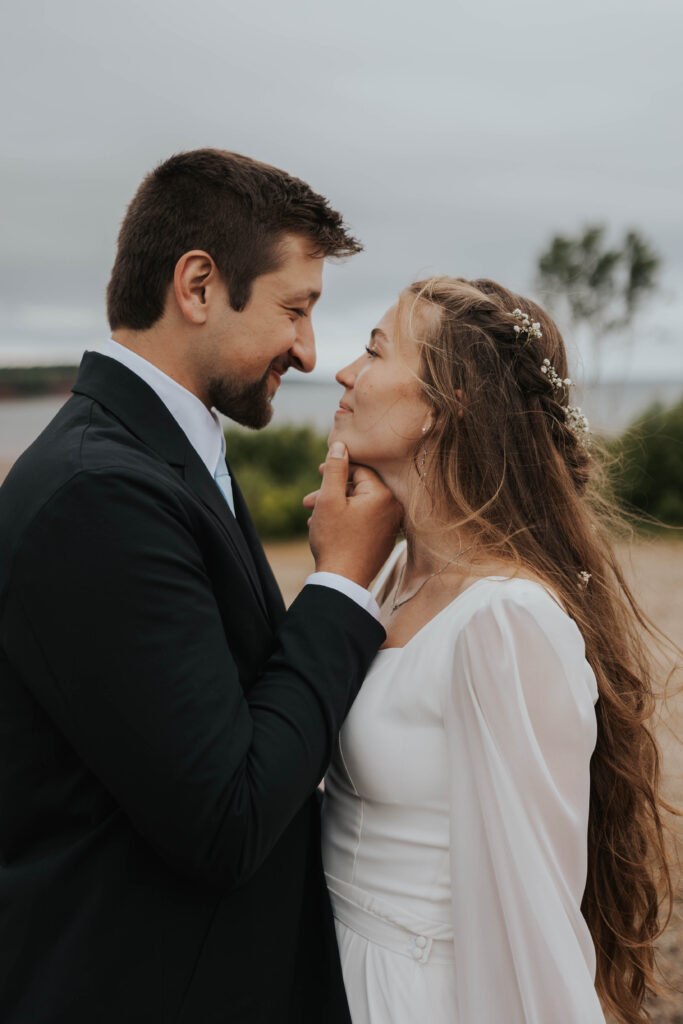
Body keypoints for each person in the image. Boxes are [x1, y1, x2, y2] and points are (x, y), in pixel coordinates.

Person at [0, 149, 401, 1024]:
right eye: (294, 309)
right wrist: (340, 583)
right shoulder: (95, 494)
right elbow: (225, 817)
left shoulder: (160, 457)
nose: (306, 349)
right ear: (197, 286)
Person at [313, 277, 674, 1024]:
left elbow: (530, 918)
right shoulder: (389, 576)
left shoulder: (505, 621)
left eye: (374, 350)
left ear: (445, 409)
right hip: (332, 974)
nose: (344, 372)